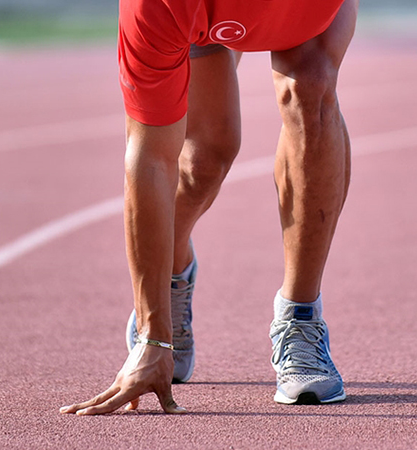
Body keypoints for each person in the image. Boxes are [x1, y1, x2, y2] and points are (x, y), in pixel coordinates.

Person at [60, 0, 358, 415]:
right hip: (202, 16)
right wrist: (153, 336)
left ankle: (300, 317)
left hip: (302, 11)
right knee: (203, 161)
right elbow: (150, 157)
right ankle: (172, 275)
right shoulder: (157, 7)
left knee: (310, 87)